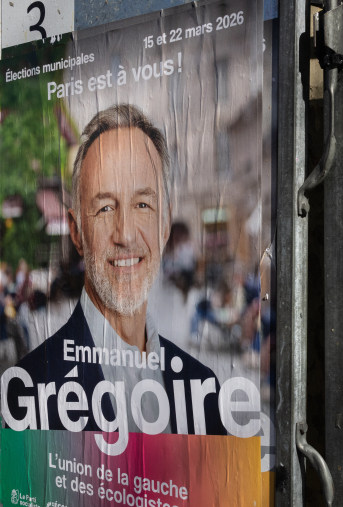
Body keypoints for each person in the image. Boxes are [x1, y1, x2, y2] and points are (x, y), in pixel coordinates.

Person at [4, 104, 225, 436]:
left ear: (163, 226)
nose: (125, 234)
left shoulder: (202, 388)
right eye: (105, 207)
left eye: (142, 205)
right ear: (77, 232)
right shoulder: (29, 391)